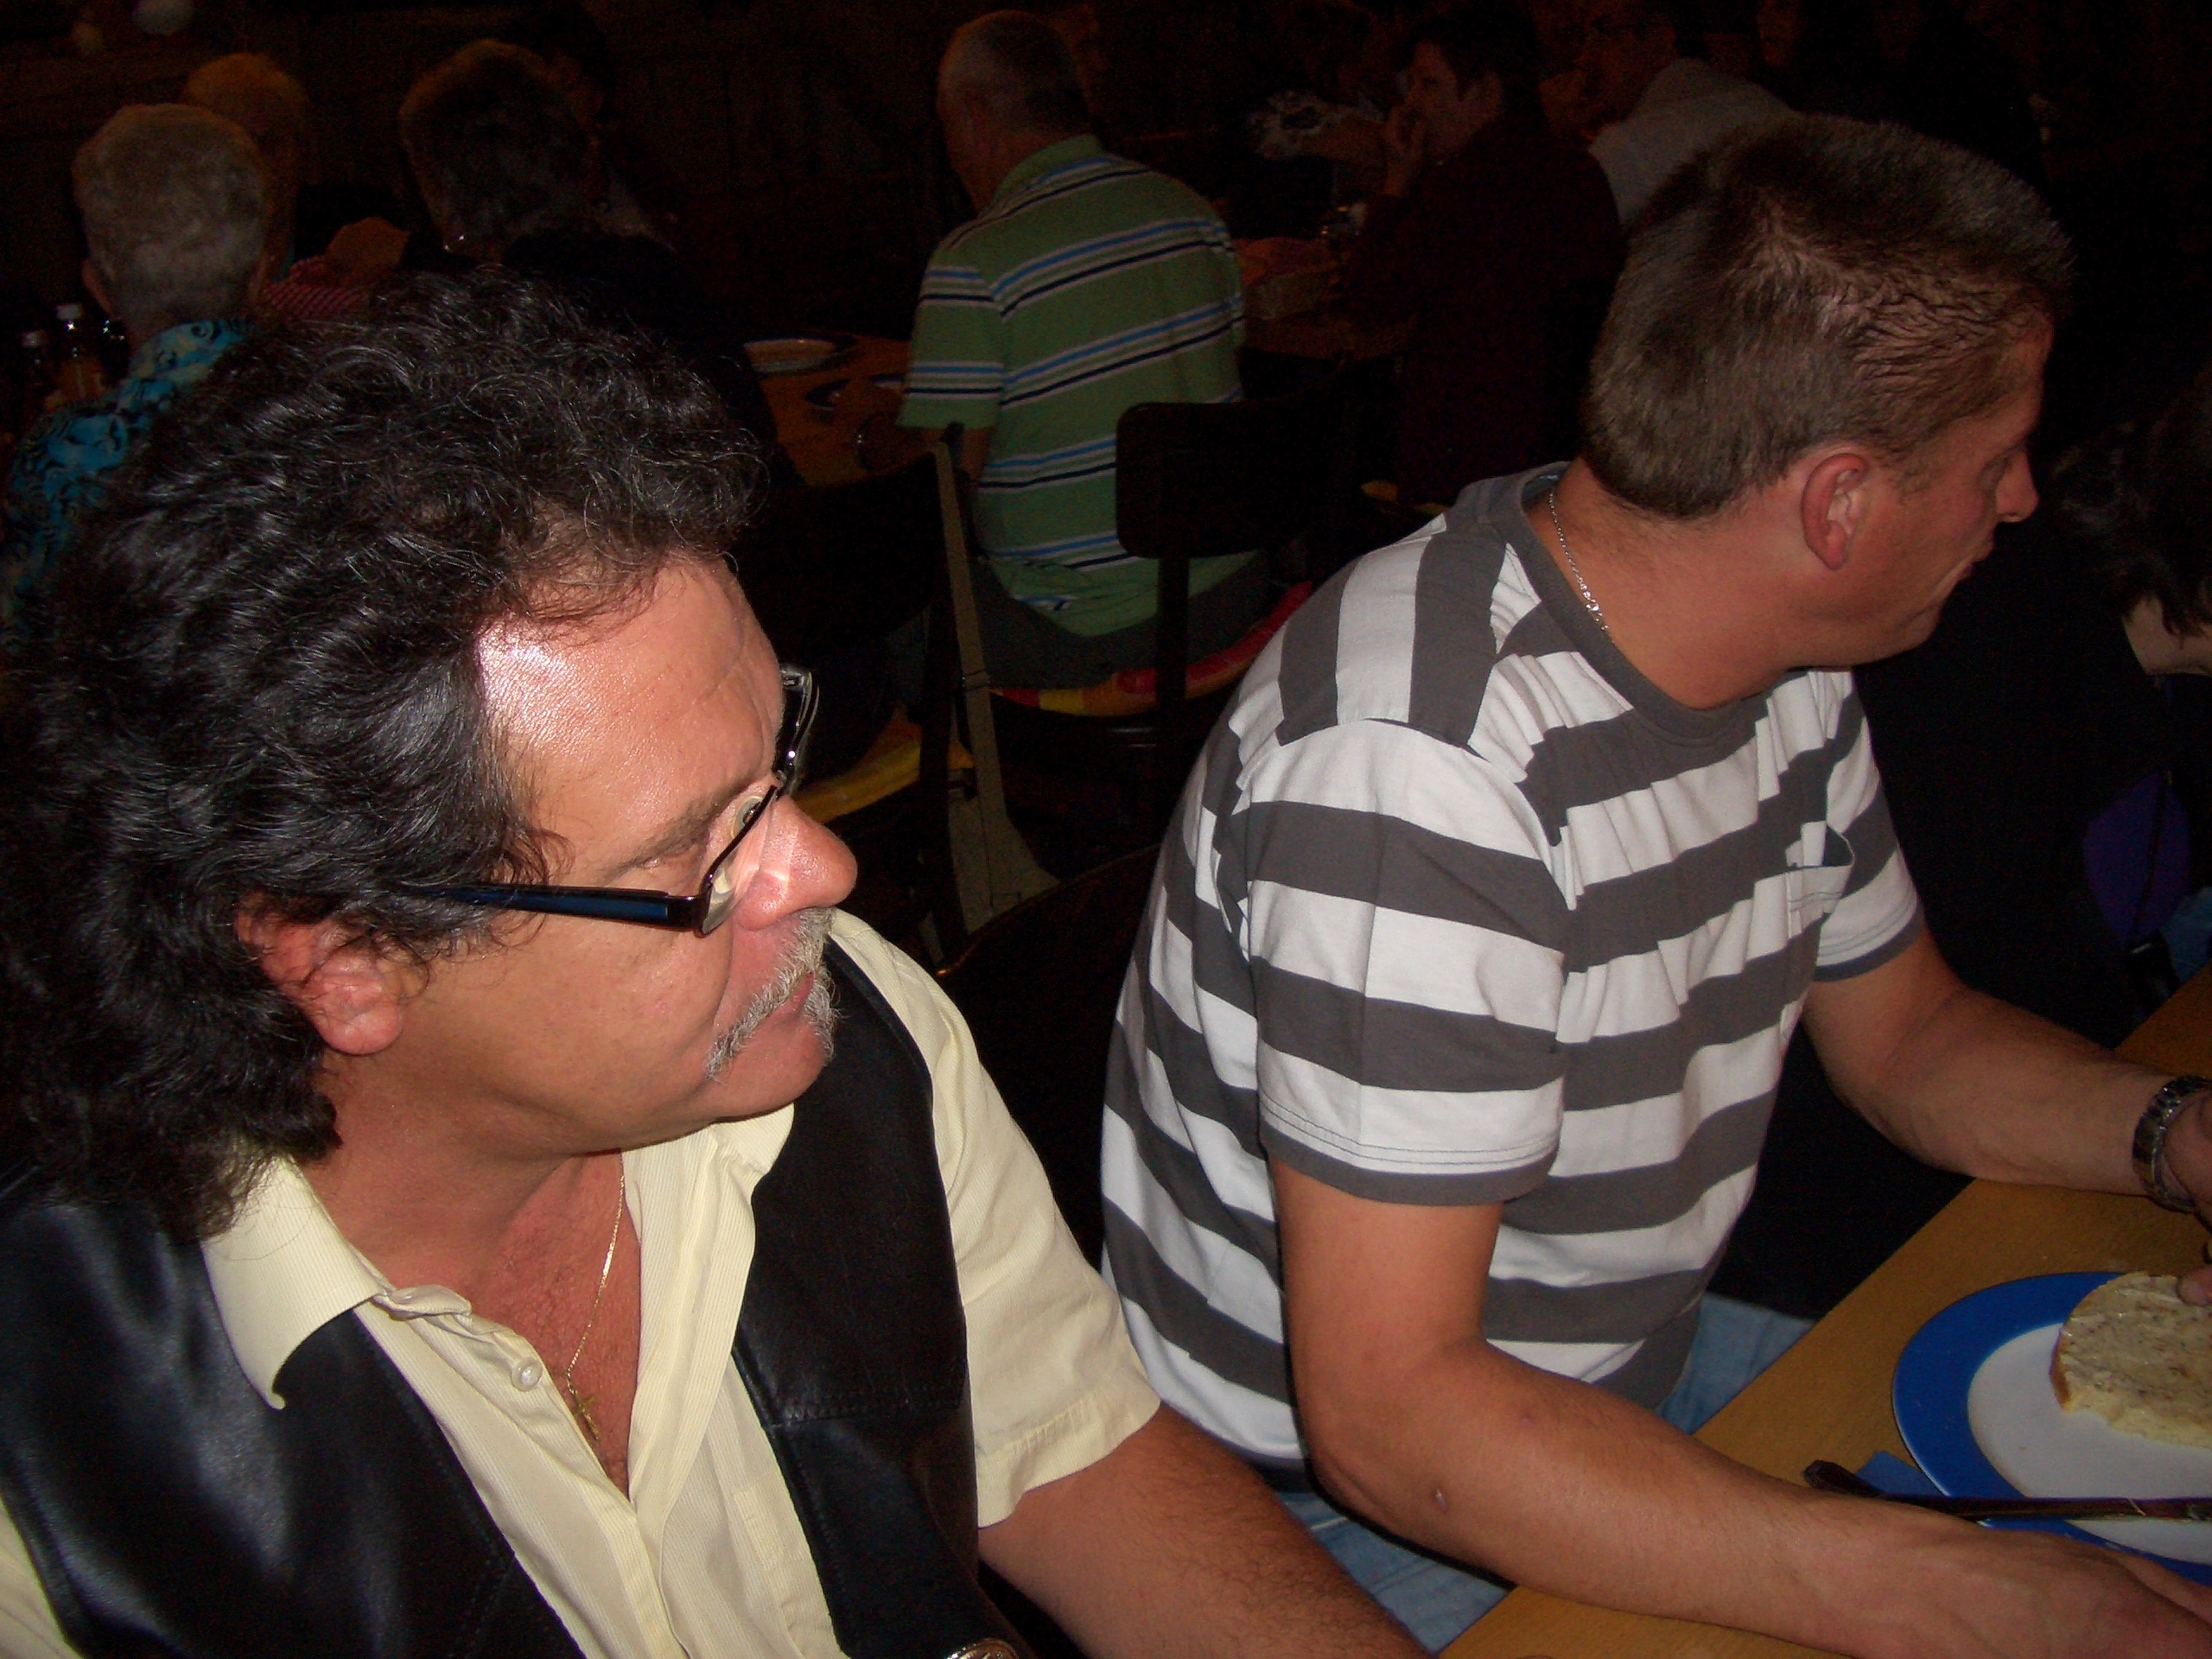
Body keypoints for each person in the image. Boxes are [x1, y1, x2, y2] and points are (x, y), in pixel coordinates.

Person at [0, 270, 1428, 1659]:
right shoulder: (52, 1483)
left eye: (774, 760)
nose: (824, 872)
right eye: (692, 853)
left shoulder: (851, 1027)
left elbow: (1076, 1454)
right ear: (346, 961)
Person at [1101, 115, 2212, 1656]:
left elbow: (1910, 1042)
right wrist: (1926, 1584)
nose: (2022, 500)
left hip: (1621, 1375)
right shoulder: (1418, 776)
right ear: (1836, 504)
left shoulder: (1775, 657)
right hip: (1349, 1516)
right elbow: (1395, 1421)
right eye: (1993, 461)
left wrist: (2178, 1134)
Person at [1720, 358, 2212, 1318]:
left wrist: (2177, 1133)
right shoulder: (1955, 663)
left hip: (2040, 1132)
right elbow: (1909, 1052)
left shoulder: (2160, 674)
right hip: (1839, 1237)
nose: (2018, 496)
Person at [864, 11, 1255, 690]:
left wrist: (867, 433)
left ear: (975, 116)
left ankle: (974, 765)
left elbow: (940, 491)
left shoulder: (975, 262)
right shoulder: (1191, 214)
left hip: (1095, 629)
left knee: (860, 619)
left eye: (947, 124)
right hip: (1237, 592)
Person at [0, 103, 264, 656]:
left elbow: (28, 658)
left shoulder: (65, 458)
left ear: (98, 288)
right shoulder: (340, 408)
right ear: (260, 274)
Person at [1342, 1, 1623, 507]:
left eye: (1430, 84)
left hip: (1467, 462)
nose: (1413, 104)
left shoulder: (1467, 185)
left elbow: (1368, 302)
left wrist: (1396, 182)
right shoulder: (1579, 171)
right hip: (1565, 452)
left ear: (1487, 90)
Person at [181, 53, 408, 321]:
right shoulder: (183, 252)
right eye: (233, 150)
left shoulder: (357, 216)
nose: (254, 164)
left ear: (301, 147)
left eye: (267, 144)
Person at [1579, 0, 1788, 223]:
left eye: (1604, 32)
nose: (1585, 58)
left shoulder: (1625, 151)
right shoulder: (1770, 109)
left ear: (1661, 35)